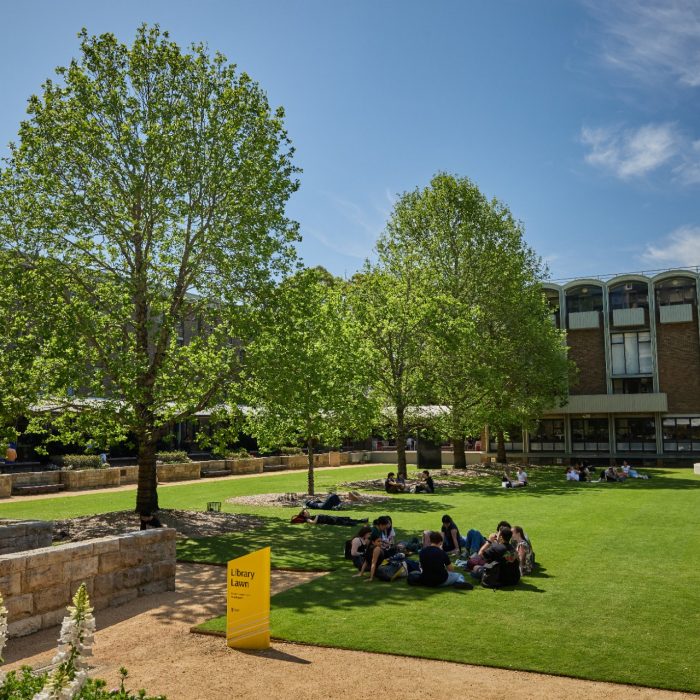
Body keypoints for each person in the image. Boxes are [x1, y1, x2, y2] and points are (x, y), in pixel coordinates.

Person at [291, 509, 368, 527]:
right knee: (342, 521)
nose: (308, 512)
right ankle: (357, 523)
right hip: (329, 520)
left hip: (329, 518)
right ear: (304, 515)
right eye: (306, 512)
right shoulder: (307, 519)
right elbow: (313, 522)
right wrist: (317, 516)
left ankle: (361, 521)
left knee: (344, 519)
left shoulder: (309, 517)